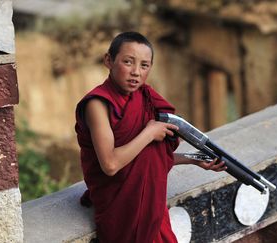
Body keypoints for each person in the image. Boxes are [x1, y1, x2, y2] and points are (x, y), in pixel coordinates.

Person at [75, 31, 226, 243]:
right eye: (128, 62)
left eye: (144, 65)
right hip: (122, 210)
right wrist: (149, 132)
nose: (136, 72)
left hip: (152, 209)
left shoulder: (146, 98)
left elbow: (148, 160)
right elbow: (110, 164)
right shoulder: (97, 105)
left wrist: (194, 159)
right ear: (109, 60)